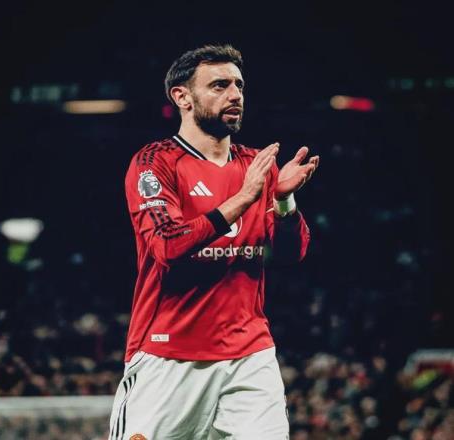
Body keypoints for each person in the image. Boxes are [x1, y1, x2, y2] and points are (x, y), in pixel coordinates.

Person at [109, 44, 319, 440]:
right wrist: (244, 198)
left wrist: (283, 200)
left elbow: (291, 255)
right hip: (169, 355)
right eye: (219, 85)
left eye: (239, 85)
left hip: (250, 356)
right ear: (182, 97)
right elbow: (167, 245)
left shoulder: (256, 164)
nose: (235, 94)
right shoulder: (155, 162)